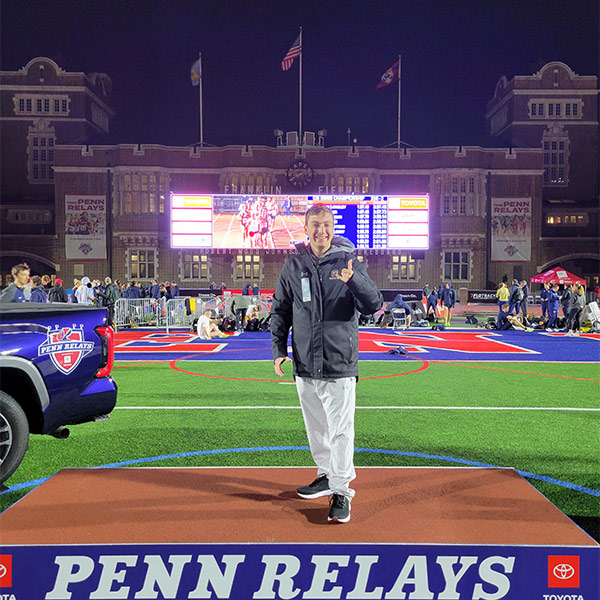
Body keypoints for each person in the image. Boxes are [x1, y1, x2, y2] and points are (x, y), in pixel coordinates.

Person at [270, 204, 383, 524]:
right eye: (315, 225)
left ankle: (342, 490)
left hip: (339, 361)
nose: (321, 230)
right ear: (305, 229)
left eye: (326, 225)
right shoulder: (294, 265)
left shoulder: (349, 261)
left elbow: (373, 304)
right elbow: (280, 311)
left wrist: (354, 281)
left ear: (333, 228)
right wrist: (279, 348)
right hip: (305, 362)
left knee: (340, 432)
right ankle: (325, 475)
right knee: (317, 429)